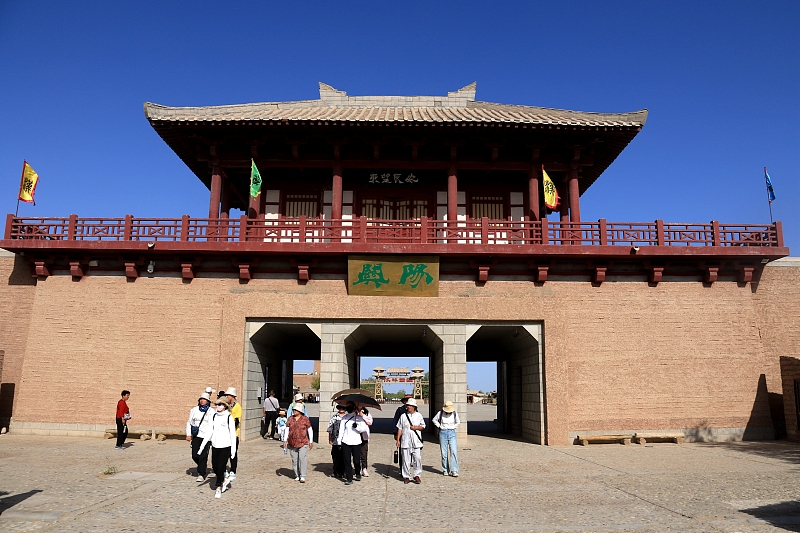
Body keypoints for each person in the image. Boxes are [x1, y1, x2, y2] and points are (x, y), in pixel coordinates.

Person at [199, 395, 237, 499]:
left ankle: (218, 487)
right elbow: (209, 431)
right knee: (215, 466)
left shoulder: (229, 417)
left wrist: (233, 449)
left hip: (226, 445)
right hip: (215, 445)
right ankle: (224, 479)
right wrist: (202, 446)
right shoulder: (214, 416)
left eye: (221, 405)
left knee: (221, 466)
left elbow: (233, 434)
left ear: (225, 406)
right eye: (217, 405)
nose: (218, 407)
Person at [337, 401, 368, 486]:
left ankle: (358, 472)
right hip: (346, 441)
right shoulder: (344, 418)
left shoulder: (359, 418)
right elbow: (341, 430)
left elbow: (364, 428)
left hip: (356, 441)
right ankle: (349, 478)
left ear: (354, 407)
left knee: (356, 460)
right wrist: (339, 441)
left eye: (350, 406)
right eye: (347, 406)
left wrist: (357, 427)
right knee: (347, 460)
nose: (348, 408)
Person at [396, 397, 425, 484]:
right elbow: (400, 428)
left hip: (416, 441)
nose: (407, 407)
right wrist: (398, 439)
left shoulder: (419, 416)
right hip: (405, 440)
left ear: (414, 407)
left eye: (409, 405)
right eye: (407, 405)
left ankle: (417, 475)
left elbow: (423, 426)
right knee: (405, 459)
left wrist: (416, 427)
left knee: (417, 458)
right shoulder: (403, 416)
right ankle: (406, 476)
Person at [186, 392, 214, 482]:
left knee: (203, 455)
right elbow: (189, 422)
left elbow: (213, 425)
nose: (202, 401)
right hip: (196, 435)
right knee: (195, 455)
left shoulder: (211, 411)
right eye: (201, 399)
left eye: (204, 399)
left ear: (208, 401)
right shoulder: (194, 410)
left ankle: (201, 473)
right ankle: (202, 466)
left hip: (206, 436)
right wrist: (188, 434)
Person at [432, 400, 460, 477]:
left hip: (452, 433)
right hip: (443, 433)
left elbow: (458, 422)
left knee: (453, 451)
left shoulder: (454, 413)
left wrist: (453, 427)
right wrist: (439, 426)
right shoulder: (440, 413)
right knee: (444, 453)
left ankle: (454, 470)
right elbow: (434, 420)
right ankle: (445, 469)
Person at [286, 404, 313, 483]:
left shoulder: (305, 419)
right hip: (292, 442)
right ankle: (297, 475)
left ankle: (303, 475)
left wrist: (310, 441)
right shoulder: (290, 419)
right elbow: (287, 429)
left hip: (303, 441)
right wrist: (284, 440)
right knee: (294, 460)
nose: (294, 411)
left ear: (300, 411)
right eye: (294, 410)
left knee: (302, 458)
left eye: (296, 410)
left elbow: (309, 430)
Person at [224, 387, 241, 481]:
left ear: (233, 396)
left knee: (233, 453)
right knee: (225, 453)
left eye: (228, 395)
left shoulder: (237, 406)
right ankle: (224, 469)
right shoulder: (226, 405)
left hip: (234, 434)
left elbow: (237, 420)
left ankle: (233, 470)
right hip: (225, 433)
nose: (226, 396)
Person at [327, 404, 347, 479]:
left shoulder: (347, 417)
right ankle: (335, 471)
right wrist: (330, 439)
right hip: (335, 439)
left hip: (345, 440)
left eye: (343, 407)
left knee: (343, 456)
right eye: (340, 407)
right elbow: (330, 429)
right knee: (335, 456)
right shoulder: (334, 417)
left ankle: (342, 472)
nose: (341, 409)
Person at [359, 407, 373, 477]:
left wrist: (363, 416)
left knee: (364, 453)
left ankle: (364, 468)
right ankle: (357, 468)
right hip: (355, 435)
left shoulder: (366, 413)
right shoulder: (353, 413)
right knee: (356, 453)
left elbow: (370, 422)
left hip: (364, 436)